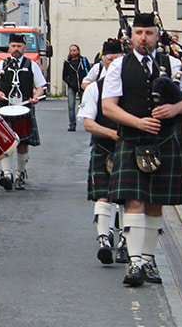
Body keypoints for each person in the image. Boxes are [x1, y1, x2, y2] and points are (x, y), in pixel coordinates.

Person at [102, 12, 182, 287]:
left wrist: (176, 108)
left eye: (149, 33)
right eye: (139, 33)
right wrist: (138, 122)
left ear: (157, 36)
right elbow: (108, 106)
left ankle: (147, 259)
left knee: (155, 203)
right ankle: (134, 263)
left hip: (163, 141)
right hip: (132, 140)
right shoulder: (118, 66)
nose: (143, 38)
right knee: (134, 201)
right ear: (131, 37)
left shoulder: (173, 63)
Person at [77, 38, 125, 264]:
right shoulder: (95, 88)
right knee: (103, 194)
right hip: (105, 146)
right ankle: (104, 239)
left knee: (128, 198)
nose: (114, 63)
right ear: (103, 62)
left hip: (130, 149)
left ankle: (125, 241)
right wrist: (114, 134)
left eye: (118, 59)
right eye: (109, 60)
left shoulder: (132, 87)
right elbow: (88, 123)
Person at [0, 33, 46, 190]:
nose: (16, 49)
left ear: (25, 48)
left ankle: (20, 174)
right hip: (5, 108)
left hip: (24, 107)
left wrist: (37, 95)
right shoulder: (1, 65)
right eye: (13, 46)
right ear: (9, 48)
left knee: (23, 143)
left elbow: (40, 86)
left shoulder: (32, 65)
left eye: (19, 46)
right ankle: (6, 174)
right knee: (5, 141)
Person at [63, 44, 90, 132]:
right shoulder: (67, 63)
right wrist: (70, 82)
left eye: (74, 50)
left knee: (83, 105)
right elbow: (64, 76)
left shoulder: (83, 61)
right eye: (71, 51)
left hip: (82, 87)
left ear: (78, 51)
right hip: (72, 87)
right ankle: (72, 124)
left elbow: (88, 72)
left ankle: (87, 123)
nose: (73, 52)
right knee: (71, 106)